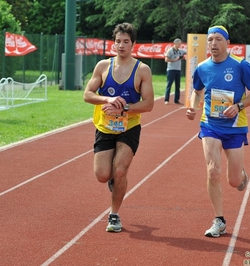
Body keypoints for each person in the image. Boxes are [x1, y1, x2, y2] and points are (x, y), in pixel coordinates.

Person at [186, 26, 250, 238]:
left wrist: (238, 106)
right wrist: (193, 106)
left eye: (218, 39)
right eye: (210, 40)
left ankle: (241, 174)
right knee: (213, 171)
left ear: (227, 43)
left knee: (234, 181)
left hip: (235, 126)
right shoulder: (201, 68)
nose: (213, 43)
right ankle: (219, 220)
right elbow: (197, 91)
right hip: (210, 125)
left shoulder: (240, 66)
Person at [83, 22, 154, 233]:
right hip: (105, 127)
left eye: (125, 42)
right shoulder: (103, 67)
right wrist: (108, 99)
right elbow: (87, 95)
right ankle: (113, 179)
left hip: (129, 127)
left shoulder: (142, 70)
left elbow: (148, 104)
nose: (121, 45)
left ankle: (114, 215)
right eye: (117, 41)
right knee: (103, 175)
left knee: (121, 170)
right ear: (113, 43)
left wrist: (124, 109)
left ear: (133, 44)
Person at [164, 38, 186, 105]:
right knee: (169, 84)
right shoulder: (170, 51)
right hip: (171, 69)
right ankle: (166, 99)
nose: (180, 45)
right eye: (179, 43)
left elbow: (187, 52)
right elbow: (166, 60)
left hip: (178, 70)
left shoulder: (180, 51)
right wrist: (175, 59)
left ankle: (176, 100)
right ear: (175, 43)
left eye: (180, 43)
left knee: (178, 85)